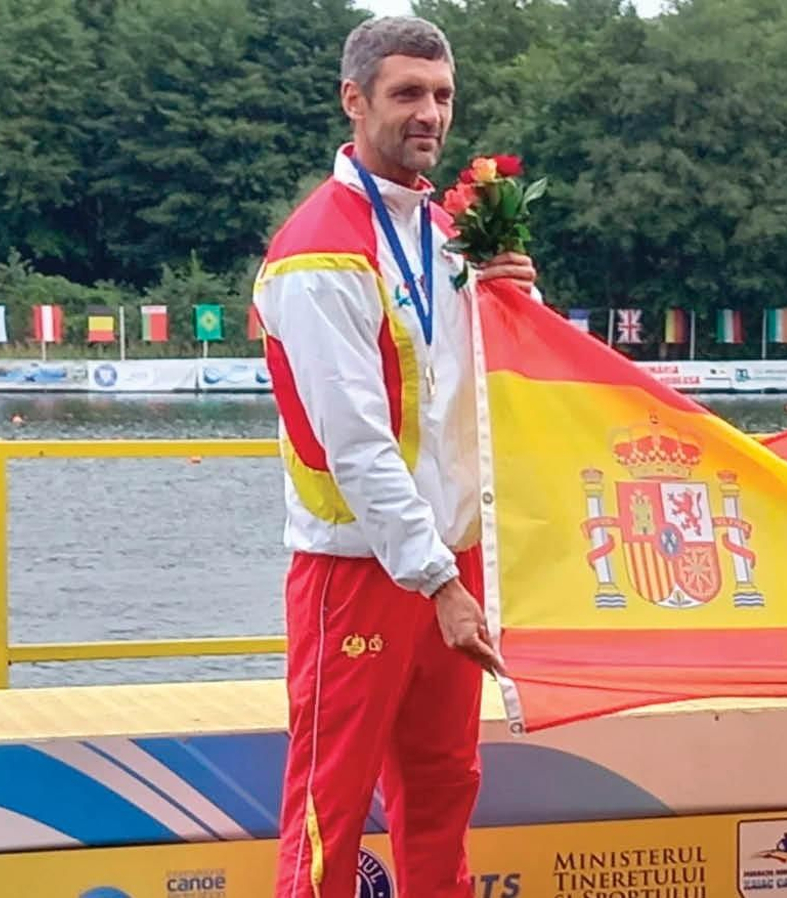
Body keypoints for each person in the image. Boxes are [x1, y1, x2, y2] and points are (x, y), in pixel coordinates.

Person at [252, 16, 539, 898]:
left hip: (451, 561)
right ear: (355, 100)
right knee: (327, 811)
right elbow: (358, 449)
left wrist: (521, 307)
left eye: (443, 96)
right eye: (408, 93)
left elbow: (474, 395)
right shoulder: (318, 251)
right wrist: (441, 583)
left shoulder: (452, 231)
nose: (431, 115)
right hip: (362, 569)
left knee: (444, 795)